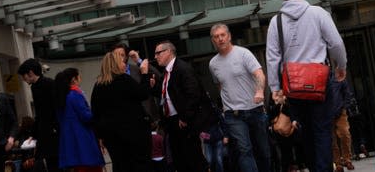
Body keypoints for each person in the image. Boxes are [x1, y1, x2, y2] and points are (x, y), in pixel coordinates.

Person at [266, 0, 347, 172]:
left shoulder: (276, 21)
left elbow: (272, 56)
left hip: (294, 85)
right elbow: (335, 43)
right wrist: (341, 66)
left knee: (305, 129)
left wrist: (275, 88)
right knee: (322, 129)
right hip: (319, 80)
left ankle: (313, 167)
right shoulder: (317, 13)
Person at [209, 23, 270, 172]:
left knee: (263, 151)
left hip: (254, 109)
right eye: (216, 37)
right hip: (233, 114)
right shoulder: (213, 64)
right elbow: (220, 86)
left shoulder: (243, 53)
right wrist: (225, 106)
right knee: (244, 150)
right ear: (213, 41)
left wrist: (260, 91)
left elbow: (259, 74)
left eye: (223, 35)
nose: (220, 39)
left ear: (229, 36)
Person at [153, 40, 214, 172]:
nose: (155, 56)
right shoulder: (166, 72)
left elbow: (193, 94)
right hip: (172, 123)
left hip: (184, 122)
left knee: (193, 158)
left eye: (158, 53)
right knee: (180, 160)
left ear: (168, 52)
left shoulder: (182, 68)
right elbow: (164, 95)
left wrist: (185, 117)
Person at [91, 51, 153, 172]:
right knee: (140, 164)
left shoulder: (98, 86)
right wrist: (144, 74)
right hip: (133, 133)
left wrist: (100, 136)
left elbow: (95, 113)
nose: (125, 64)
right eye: (122, 62)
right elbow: (143, 94)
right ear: (116, 64)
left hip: (112, 137)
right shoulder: (124, 80)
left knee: (120, 165)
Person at [55, 68, 105, 172]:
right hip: (83, 141)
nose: (80, 79)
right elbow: (86, 117)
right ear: (74, 79)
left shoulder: (62, 97)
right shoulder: (75, 95)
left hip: (70, 143)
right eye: (79, 76)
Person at [17, 58, 59, 172]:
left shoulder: (45, 85)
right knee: (53, 164)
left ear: (30, 73)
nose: (24, 79)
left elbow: (44, 112)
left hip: (52, 132)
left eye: (24, 76)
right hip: (50, 131)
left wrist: (35, 133)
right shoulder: (40, 85)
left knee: (54, 163)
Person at [113, 43, 161, 122]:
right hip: (125, 120)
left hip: (147, 117)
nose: (118, 58)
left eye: (121, 55)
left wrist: (139, 61)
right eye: (115, 55)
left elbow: (158, 76)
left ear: (126, 57)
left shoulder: (138, 69)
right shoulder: (110, 76)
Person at [331, 79, 354, 172]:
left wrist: (344, 107)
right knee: (331, 139)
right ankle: (337, 163)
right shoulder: (318, 80)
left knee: (345, 133)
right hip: (326, 114)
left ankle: (347, 159)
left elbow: (347, 93)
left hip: (340, 111)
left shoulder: (338, 79)